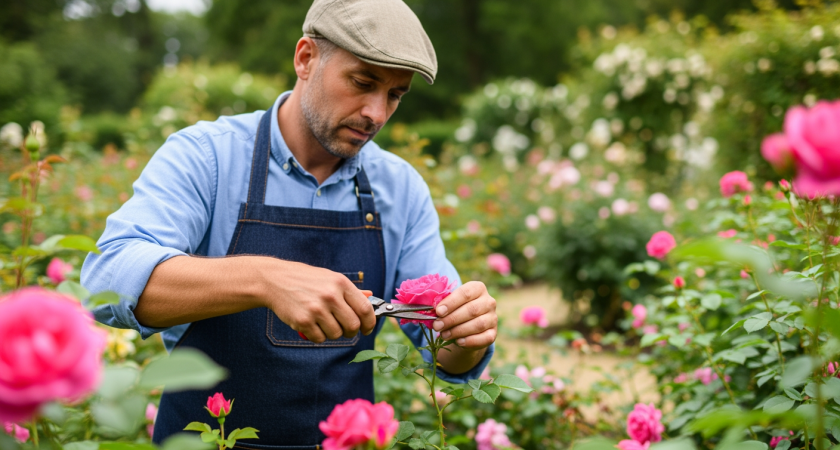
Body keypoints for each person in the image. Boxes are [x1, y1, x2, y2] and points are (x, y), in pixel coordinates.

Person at [82, 0, 497, 446]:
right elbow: (107, 280)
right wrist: (263, 278)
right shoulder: (208, 157)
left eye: (395, 95)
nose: (377, 113)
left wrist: (467, 336)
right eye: (362, 82)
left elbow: (447, 356)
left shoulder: (400, 188)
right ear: (305, 58)